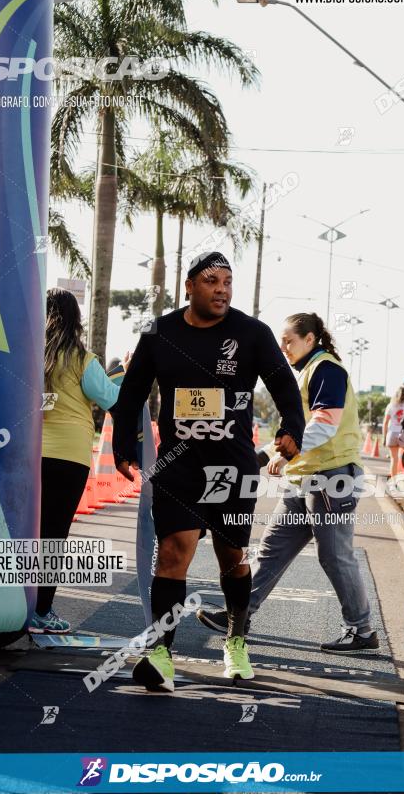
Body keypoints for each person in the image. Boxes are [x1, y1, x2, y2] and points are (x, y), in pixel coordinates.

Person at [112, 252, 305, 692]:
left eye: (227, 282)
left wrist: (292, 427)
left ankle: (236, 640)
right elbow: (134, 390)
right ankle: (160, 655)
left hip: (230, 465)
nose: (221, 289)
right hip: (178, 464)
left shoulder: (251, 333)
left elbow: (284, 385)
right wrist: (123, 443)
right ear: (189, 287)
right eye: (211, 281)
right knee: (174, 553)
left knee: (231, 558)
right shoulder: (159, 332)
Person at [197, 312, 379, 654]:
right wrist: (265, 454)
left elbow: (323, 425)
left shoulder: (326, 370)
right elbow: (299, 427)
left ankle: (362, 630)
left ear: (310, 339)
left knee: (335, 557)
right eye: (281, 340)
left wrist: (280, 454)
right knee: (271, 549)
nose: (283, 346)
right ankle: (240, 613)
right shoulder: (306, 373)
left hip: (331, 477)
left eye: (289, 340)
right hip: (305, 479)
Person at [28, 288, 122, 634]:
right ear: (75, 319)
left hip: (31, 453)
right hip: (69, 456)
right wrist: (123, 370)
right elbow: (113, 400)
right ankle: (42, 610)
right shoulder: (83, 359)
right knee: (55, 533)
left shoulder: (31, 354)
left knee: (29, 532)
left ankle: (17, 604)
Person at [382, 386, 404, 479]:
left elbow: (385, 423)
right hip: (403, 433)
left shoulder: (390, 405)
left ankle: (393, 481)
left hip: (392, 433)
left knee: (394, 459)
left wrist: (384, 437)